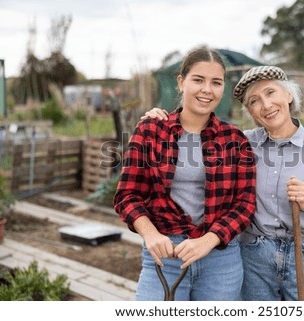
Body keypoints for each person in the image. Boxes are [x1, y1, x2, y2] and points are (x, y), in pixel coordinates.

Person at [144, 65, 304, 301]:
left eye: (271, 93)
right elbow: (196, 128)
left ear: (288, 95)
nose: (265, 105)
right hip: (254, 257)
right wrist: (160, 119)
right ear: (250, 112)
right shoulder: (238, 142)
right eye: (254, 101)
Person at [114, 47, 257, 301]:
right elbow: (127, 195)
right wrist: (151, 234)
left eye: (216, 82)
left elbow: (244, 204)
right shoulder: (150, 131)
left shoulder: (234, 139)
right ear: (181, 83)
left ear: (223, 88)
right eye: (198, 80)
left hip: (220, 260)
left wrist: (209, 240)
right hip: (165, 255)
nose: (207, 90)